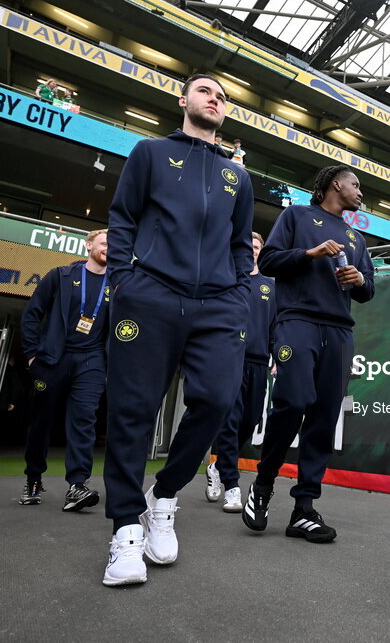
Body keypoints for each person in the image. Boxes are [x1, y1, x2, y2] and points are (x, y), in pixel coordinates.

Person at [101, 73, 253, 587]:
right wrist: (124, 279)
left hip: (218, 303)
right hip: (150, 295)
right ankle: (125, 529)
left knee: (215, 399)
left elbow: (239, 244)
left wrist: (238, 292)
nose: (216, 99)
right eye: (207, 91)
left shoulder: (238, 177)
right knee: (133, 411)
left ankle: (162, 496)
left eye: (223, 97)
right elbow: (122, 217)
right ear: (184, 100)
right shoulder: (148, 152)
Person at [241, 165, 374, 543]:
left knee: (324, 417)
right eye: (355, 185)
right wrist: (310, 253)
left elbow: (367, 291)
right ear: (335, 184)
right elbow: (267, 262)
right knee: (293, 401)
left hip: (339, 331)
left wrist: (360, 279)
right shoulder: (296, 215)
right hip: (297, 322)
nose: (360, 192)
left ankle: (303, 509)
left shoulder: (356, 238)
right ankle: (263, 484)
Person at [18, 229, 110, 512]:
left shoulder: (117, 284)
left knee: (84, 419)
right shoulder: (60, 275)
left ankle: (77, 485)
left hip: (91, 361)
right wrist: (32, 354)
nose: (110, 247)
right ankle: (34, 478)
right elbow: (32, 313)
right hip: (53, 359)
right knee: (41, 421)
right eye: (105, 242)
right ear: (89, 245)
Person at [205, 231, 276, 512]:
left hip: (259, 362)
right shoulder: (226, 281)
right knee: (231, 420)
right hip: (230, 359)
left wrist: (277, 356)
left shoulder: (271, 286)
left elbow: (276, 325)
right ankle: (232, 487)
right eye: (248, 246)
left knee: (249, 420)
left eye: (257, 247)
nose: (253, 250)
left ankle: (217, 466)